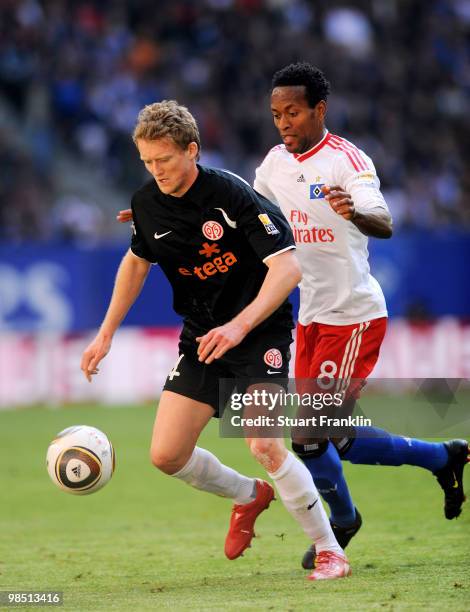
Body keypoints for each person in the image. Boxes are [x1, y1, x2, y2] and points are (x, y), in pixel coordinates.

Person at [82, 99, 351, 580]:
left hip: (257, 334)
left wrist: (240, 325)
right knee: (166, 455)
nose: (155, 170)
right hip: (203, 339)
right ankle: (250, 495)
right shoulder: (146, 203)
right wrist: (104, 335)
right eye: (147, 161)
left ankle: (330, 549)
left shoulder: (232, 195)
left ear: (193, 150)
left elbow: (288, 268)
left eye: (164, 159)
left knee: (264, 443)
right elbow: (137, 262)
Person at [253, 62, 469, 569]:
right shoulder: (273, 165)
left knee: (307, 436)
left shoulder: (348, 161)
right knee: (338, 440)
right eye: (276, 114)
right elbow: (245, 211)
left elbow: (385, 222)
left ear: (318, 109)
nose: (283, 122)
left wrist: (355, 212)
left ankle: (342, 522)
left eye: (292, 112)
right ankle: (443, 457)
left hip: (352, 316)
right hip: (308, 318)